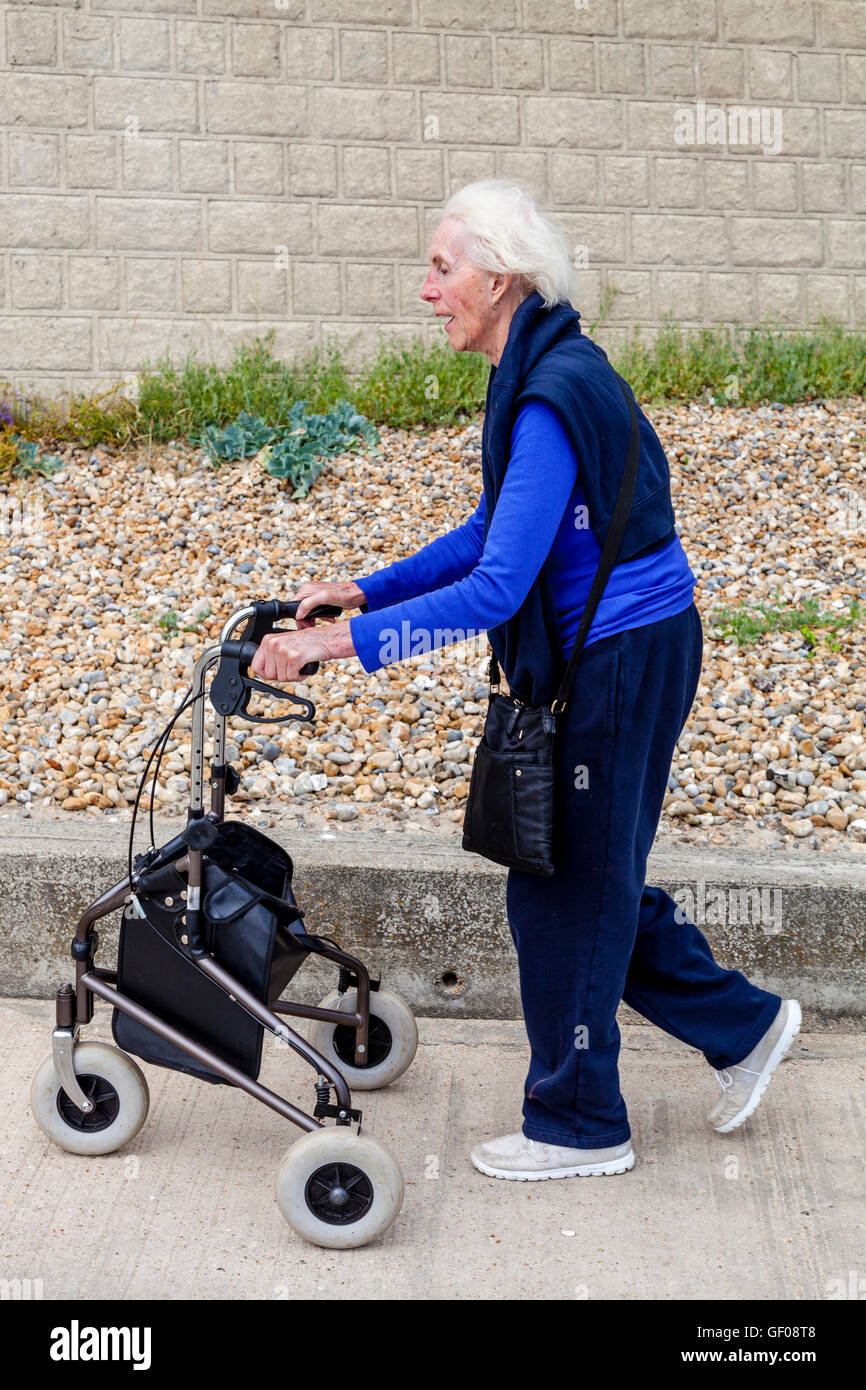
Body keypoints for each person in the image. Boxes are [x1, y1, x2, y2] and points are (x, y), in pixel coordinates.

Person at [250, 180, 801, 1181]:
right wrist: (365, 588)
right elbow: (492, 531)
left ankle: (580, 1126)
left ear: (497, 278)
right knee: (586, 881)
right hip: (630, 648)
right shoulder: (541, 364)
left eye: (440, 267)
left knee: (560, 896)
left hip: (620, 661)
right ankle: (746, 1027)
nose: (425, 290)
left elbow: (499, 584)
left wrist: (336, 646)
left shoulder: (546, 392)